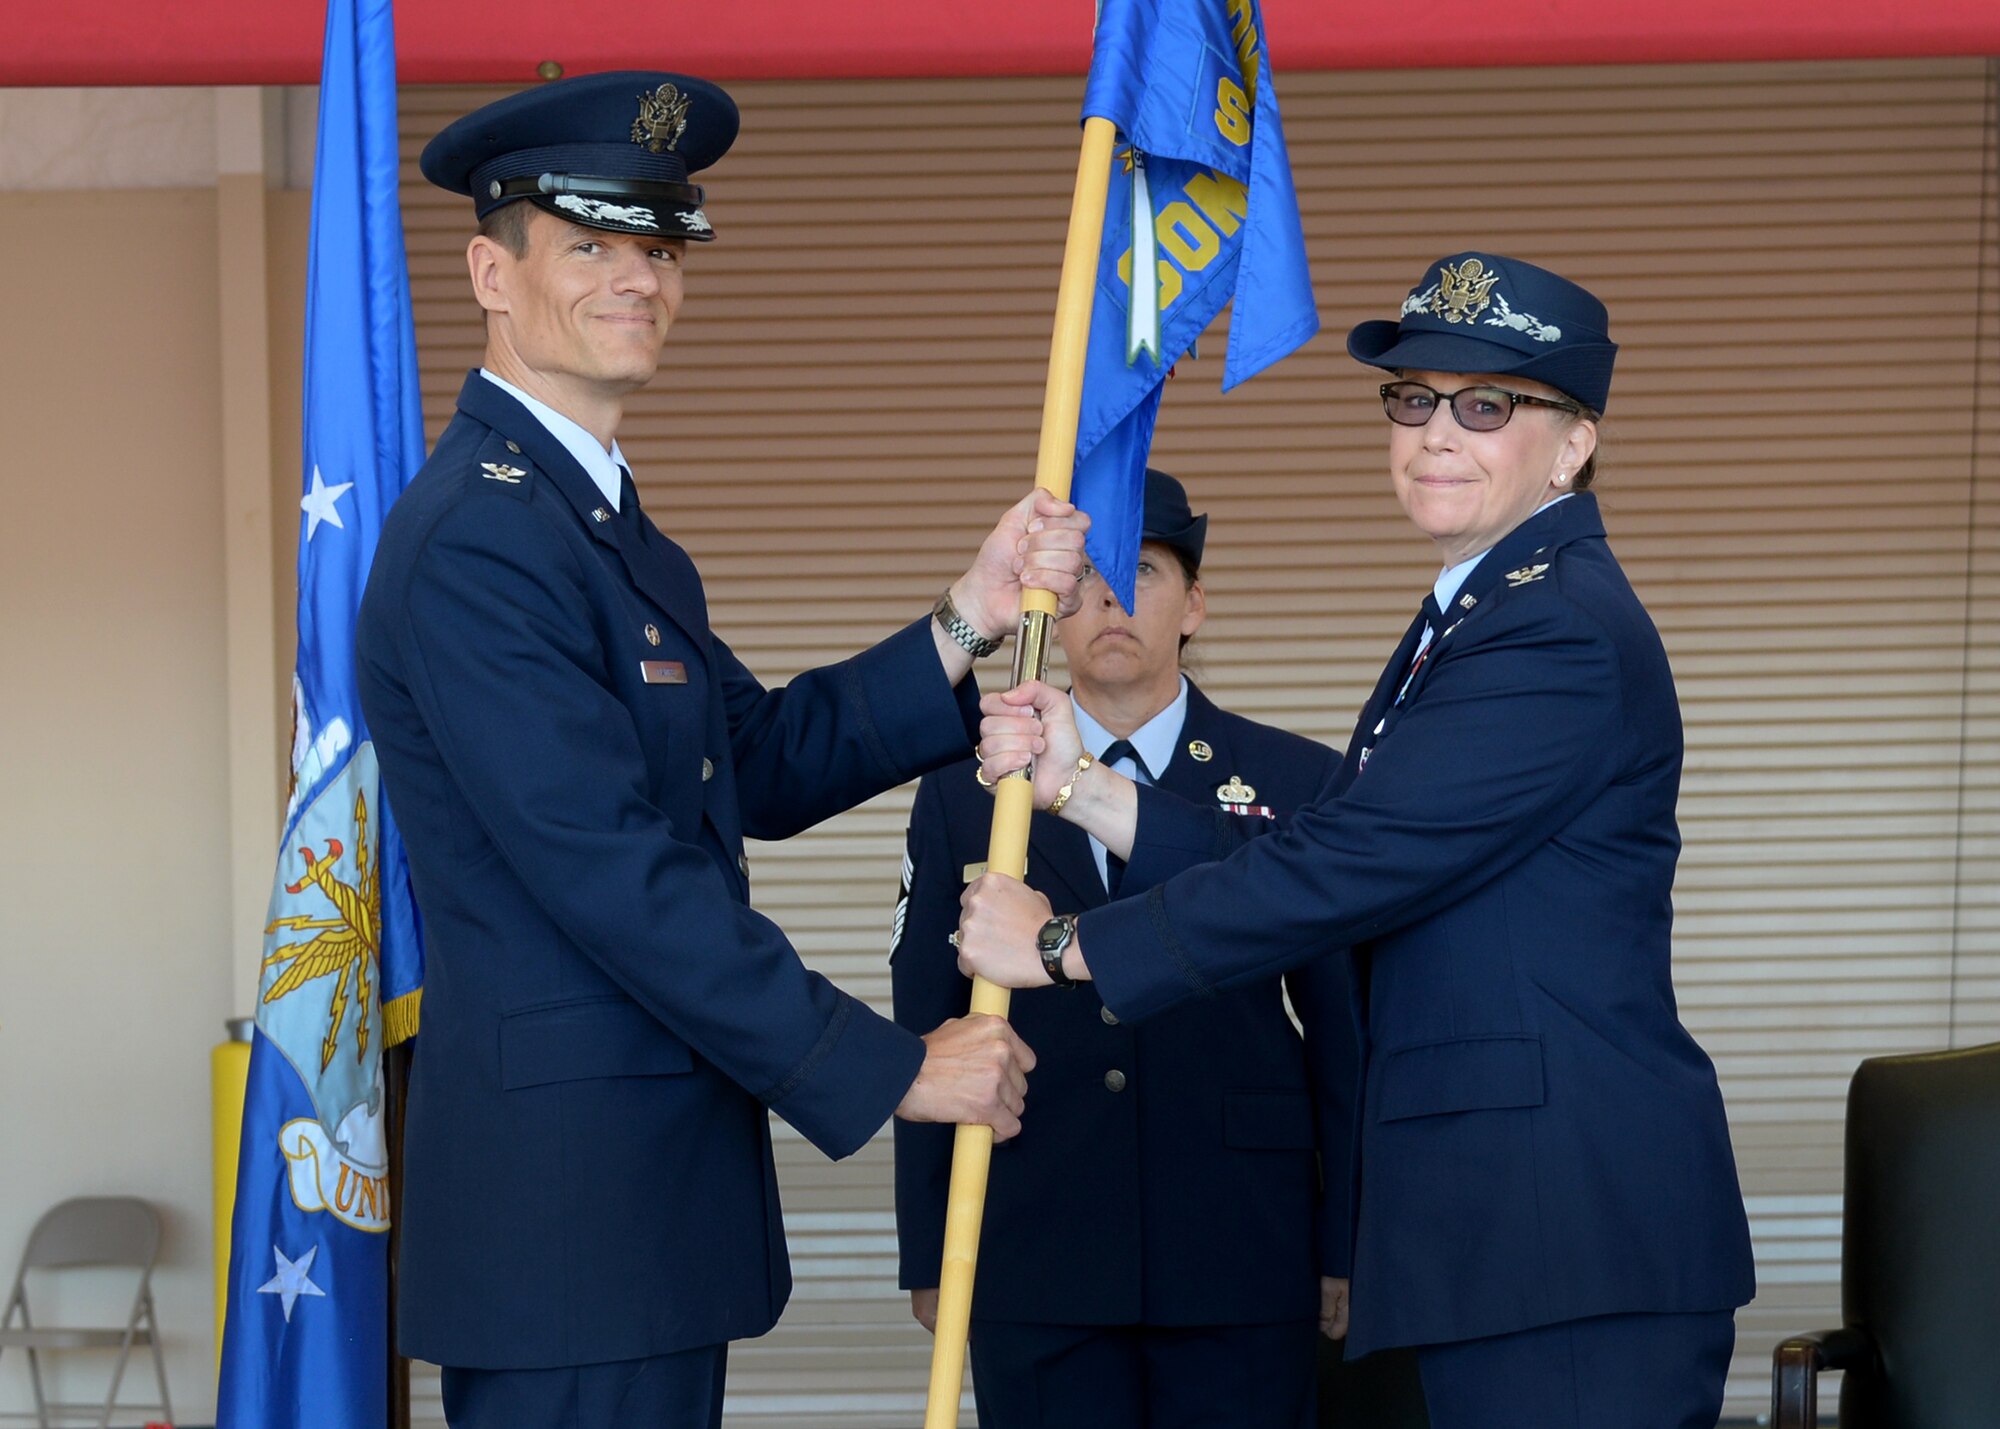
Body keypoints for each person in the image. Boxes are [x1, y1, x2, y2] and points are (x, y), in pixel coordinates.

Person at [353, 72, 1086, 1429]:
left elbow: (753, 756)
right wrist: (893, 1064)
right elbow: (612, 874)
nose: (639, 279)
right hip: (567, 1228)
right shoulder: (479, 543)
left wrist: (967, 616)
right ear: (488, 273)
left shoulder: (604, 530)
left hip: (638, 1217)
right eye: (590, 244)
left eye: (658, 247)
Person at [954, 253, 1757, 1429]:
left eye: (1486, 405)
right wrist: (1087, 790)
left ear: (1572, 443)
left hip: (1563, 1233)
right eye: (1413, 398)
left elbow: (1342, 872)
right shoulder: (1482, 608)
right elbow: (1341, 842)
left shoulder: (1553, 630)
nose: (1436, 432)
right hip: (1515, 1236)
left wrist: (1068, 941)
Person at [892, 469, 1351, 1429]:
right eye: (1088, 579)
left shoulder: (1293, 778)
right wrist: (931, 1246)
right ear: (1051, 612)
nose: (1110, 599)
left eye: (1141, 571)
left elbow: (1341, 1028)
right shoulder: (967, 789)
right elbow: (926, 1018)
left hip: (1240, 1243)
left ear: (1195, 605)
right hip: (1038, 1236)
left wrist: (1344, 1239)